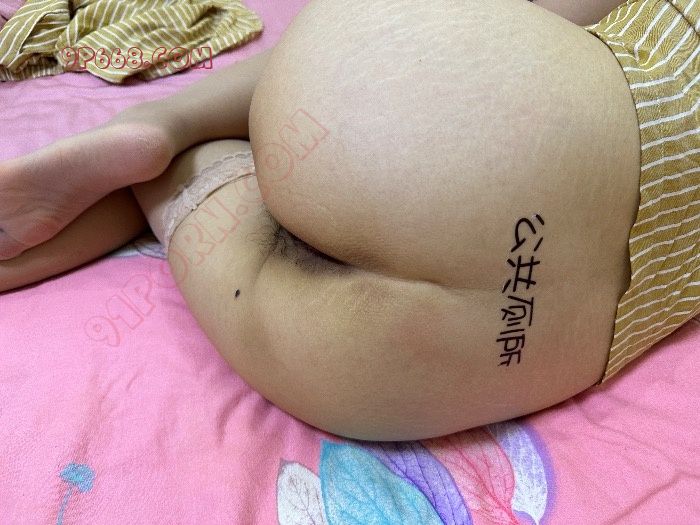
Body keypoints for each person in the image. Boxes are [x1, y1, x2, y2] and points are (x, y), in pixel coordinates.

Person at [0, 0, 697, 441]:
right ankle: (165, 172)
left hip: (435, 103)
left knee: (321, 110)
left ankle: (162, 126)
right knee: (232, 219)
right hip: (436, 365)